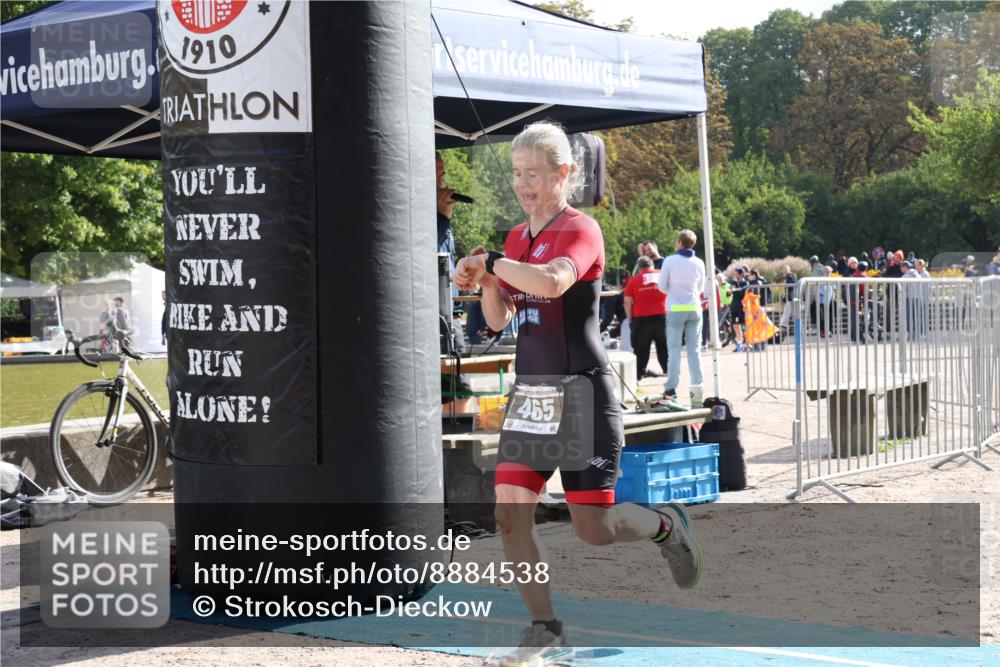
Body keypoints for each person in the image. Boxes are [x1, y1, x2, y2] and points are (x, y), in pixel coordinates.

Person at [453, 121, 702, 664]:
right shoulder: (517, 238)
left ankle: (665, 524)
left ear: (563, 174)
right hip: (534, 394)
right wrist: (489, 285)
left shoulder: (581, 229)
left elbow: (551, 284)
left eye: (534, 175)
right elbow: (499, 322)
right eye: (517, 175)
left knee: (595, 529)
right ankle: (545, 628)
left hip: (585, 394)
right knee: (509, 511)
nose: (524, 185)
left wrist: (495, 264)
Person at [648, 229, 706, 408]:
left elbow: (662, 286)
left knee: (673, 349)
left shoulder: (670, 261)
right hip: (693, 307)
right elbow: (701, 287)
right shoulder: (699, 262)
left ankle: (671, 388)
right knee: (694, 350)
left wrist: (674, 291)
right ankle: (697, 389)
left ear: (680, 243)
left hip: (675, 307)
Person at [624, 256, 667, 381]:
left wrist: (630, 319)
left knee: (641, 348)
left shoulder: (633, 280)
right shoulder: (661, 275)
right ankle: (670, 371)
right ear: (652, 264)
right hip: (662, 315)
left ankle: (638, 374)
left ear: (639, 267)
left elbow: (627, 301)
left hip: (641, 318)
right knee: (664, 346)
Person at [729, 266, 749, 351]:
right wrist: (730, 290)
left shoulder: (746, 283)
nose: (735, 275)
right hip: (734, 307)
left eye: (737, 273)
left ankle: (747, 344)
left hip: (742, 307)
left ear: (741, 274)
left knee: (744, 326)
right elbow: (728, 293)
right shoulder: (733, 283)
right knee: (736, 326)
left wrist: (734, 289)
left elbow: (743, 292)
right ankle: (739, 345)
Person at [778, 265, 797, 335]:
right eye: (784, 269)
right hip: (791, 298)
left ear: (789, 270)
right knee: (791, 313)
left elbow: (791, 286)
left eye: (786, 269)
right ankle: (783, 325)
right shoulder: (790, 276)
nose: (785, 271)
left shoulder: (790, 276)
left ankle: (782, 325)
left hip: (791, 298)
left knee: (788, 312)